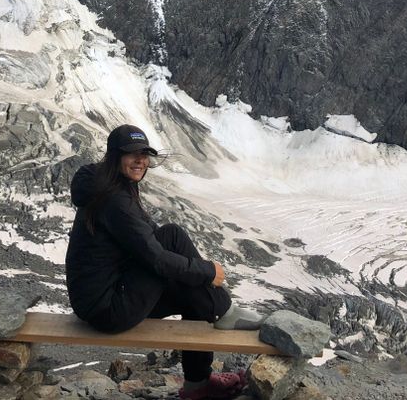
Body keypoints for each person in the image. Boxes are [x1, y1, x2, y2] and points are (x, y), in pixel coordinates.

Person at [65, 124, 264, 400]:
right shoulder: (114, 199)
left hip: (107, 295)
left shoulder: (111, 185)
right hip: (106, 308)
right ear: (115, 156)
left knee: (190, 287)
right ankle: (224, 311)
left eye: (144, 154)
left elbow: (146, 240)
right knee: (173, 237)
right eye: (132, 153)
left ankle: (198, 383)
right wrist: (208, 272)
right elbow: (156, 257)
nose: (140, 160)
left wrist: (192, 273)